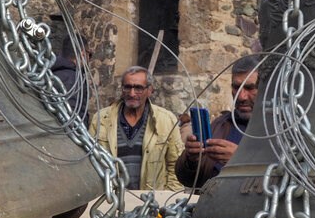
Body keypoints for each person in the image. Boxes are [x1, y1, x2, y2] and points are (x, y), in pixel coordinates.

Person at [92, 66, 182, 190]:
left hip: (151, 202)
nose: (132, 93)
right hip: (112, 201)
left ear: (149, 90)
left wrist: (166, 200)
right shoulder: (101, 120)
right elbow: (91, 163)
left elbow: (176, 166)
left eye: (138, 88)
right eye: (127, 87)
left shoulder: (166, 120)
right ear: (122, 89)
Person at [176, 55, 260, 188]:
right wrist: (191, 160)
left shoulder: (281, 131)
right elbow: (188, 180)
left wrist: (239, 161)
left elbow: (287, 180)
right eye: (237, 87)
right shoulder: (220, 125)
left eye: (250, 88)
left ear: (266, 88)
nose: (241, 96)